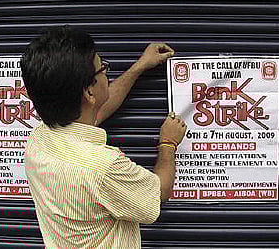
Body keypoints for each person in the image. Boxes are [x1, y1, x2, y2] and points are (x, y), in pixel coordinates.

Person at [21, 25, 186, 249]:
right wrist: (168, 143)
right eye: (103, 69)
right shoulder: (103, 167)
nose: (106, 72)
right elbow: (158, 192)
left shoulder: (38, 140)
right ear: (88, 92)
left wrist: (138, 68)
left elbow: (96, 110)